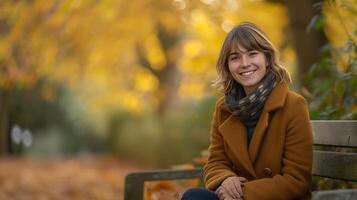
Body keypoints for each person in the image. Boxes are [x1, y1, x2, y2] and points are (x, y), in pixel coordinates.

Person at [181, 22, 313, 200]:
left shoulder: (293, 105)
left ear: (267, 59)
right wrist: (226, 179)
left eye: (252, 54)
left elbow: (296, 180)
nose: (244, 63)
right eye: (235, 57)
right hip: (232, 197)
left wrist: (242, 193)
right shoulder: (224, 109)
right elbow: (215, 162)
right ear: (227, 65)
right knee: (194, 197)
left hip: (272, 197)